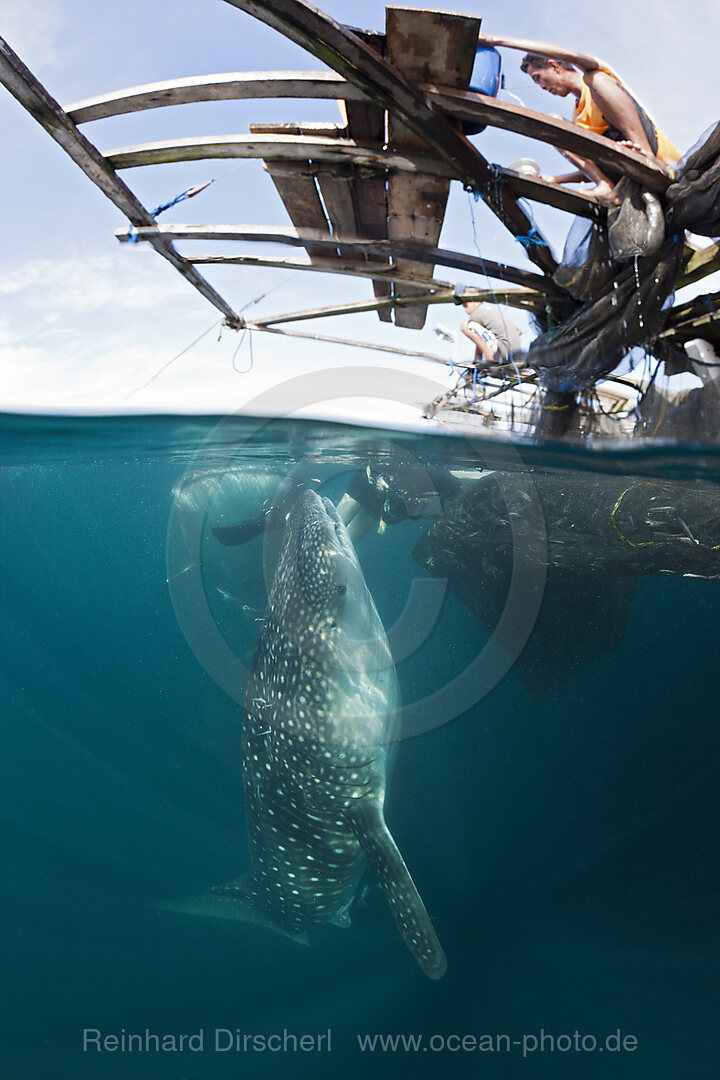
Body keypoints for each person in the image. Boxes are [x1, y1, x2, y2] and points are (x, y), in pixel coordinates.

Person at [519, 52, 680, 202]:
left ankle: (642, 159)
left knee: (554, 122)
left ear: (554, 67)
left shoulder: (597, 82)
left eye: (538, 78)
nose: (542, 86)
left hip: (653, 155)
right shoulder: (579, 117)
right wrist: (557, 180)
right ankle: (605, 186)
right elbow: (597, 167)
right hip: (623, 168)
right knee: (555, 124)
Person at [460, 301, 524, 367]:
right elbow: (518, 331)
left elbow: (479, 340)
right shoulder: (493, 311)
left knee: (466, 325)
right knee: (482, 336)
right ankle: (487, 359)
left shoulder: (476, 314)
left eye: (466, 305)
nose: (466, 310)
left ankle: (490, 359)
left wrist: (489, 359)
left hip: (502, 354)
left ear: (477, 302)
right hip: (517, 356)